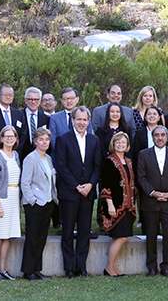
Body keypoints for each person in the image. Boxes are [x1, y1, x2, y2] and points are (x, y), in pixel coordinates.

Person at [55, 106, 102, 278]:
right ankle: (69, 267)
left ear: (88, 121)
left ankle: (81, 266)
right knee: (67, 231)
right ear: (72, 120)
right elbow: (61, 166)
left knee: (84, 231)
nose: (81, 122)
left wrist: (90, 184)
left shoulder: (94, 140)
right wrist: (76, 186)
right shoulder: (63, 139)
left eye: (84, 120)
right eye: (78, 119)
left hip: (88, 193)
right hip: (69, 193)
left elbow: (97, 166)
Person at [137, 125, 168, 277]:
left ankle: (166, 266)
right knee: (151, 235)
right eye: (156, 135)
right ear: (152, 137)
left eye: (163, 134)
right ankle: (151, 266)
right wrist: (153, 193)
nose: (160, 137)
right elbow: (141, 178)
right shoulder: (143, 154)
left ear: (167, 137)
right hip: (150, 202)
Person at [20, 128, 58, 280]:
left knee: (41, 238)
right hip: (35, 204)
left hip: (47, 202)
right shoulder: (31, 158)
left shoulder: (48, 158)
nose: (44, 142)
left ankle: (37, 269)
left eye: (46, 140)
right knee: (32, 237)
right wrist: (32, 200)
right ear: (35, 141)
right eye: (41, 139)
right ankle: (28, 271)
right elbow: (25, 182)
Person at [0, 126, 22, 280]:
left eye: (12, 136)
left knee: (7, 236)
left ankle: (3, 269)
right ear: (1, 138)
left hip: (13, 198)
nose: (9, 138)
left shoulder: (15, 155)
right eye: (6, 136)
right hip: (1, 198)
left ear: (16, 139)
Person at [99, 133, 137, 277]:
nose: (120, 145)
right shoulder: (109, 161)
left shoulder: (128, 161)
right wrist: (109, 204)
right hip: (115, 205)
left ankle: (113, 267)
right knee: (120, 237)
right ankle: (109, 267)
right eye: (117, 142)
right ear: (113, 144)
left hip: (128, 205)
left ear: (127, 145)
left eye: (123, 142)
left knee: (120, 236)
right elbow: (105, 184)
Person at [0, 85, 25, 156]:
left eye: (10, 95)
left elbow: (23, 134)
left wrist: (15, 151)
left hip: (15, 154)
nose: (8, 97)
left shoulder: (19, 114)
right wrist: (3, 151)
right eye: (5, 94)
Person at [20, 87, 50, 159]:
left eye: (36, 99)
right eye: (30, 99)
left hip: (41, 156)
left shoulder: (46, 118)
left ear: (40, 101)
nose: (33, 102)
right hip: (22, 156)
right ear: (25, 100)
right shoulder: (18, 116)